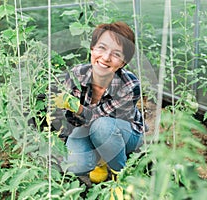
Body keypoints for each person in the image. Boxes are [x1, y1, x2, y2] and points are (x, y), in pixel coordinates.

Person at [53, 21, 145, 198]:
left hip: (124, 133)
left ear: (123, 62)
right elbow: (68, 119)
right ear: (92, 48)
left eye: (116, 54)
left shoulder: (130, 85)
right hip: (87, 130)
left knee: (102, 127)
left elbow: (97, 118)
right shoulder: (76, 74)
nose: (106, 57)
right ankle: (101, 159)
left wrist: (75, 106)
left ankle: (120, 175)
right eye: (101, 48)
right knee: (74, 165)